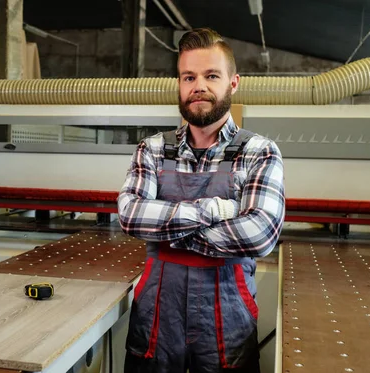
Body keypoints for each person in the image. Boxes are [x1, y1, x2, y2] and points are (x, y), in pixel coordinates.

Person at [117, 27, 286, 373]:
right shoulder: (151, 149)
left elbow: (259, 233)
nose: (199, 86)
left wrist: (168, 232)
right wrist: (214, 210)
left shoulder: (259, 152)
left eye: (211, 76)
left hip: (227, 323)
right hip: (156, 322)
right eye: (188, 77)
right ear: (179, 84)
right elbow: (131, 215)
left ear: (233, 83)